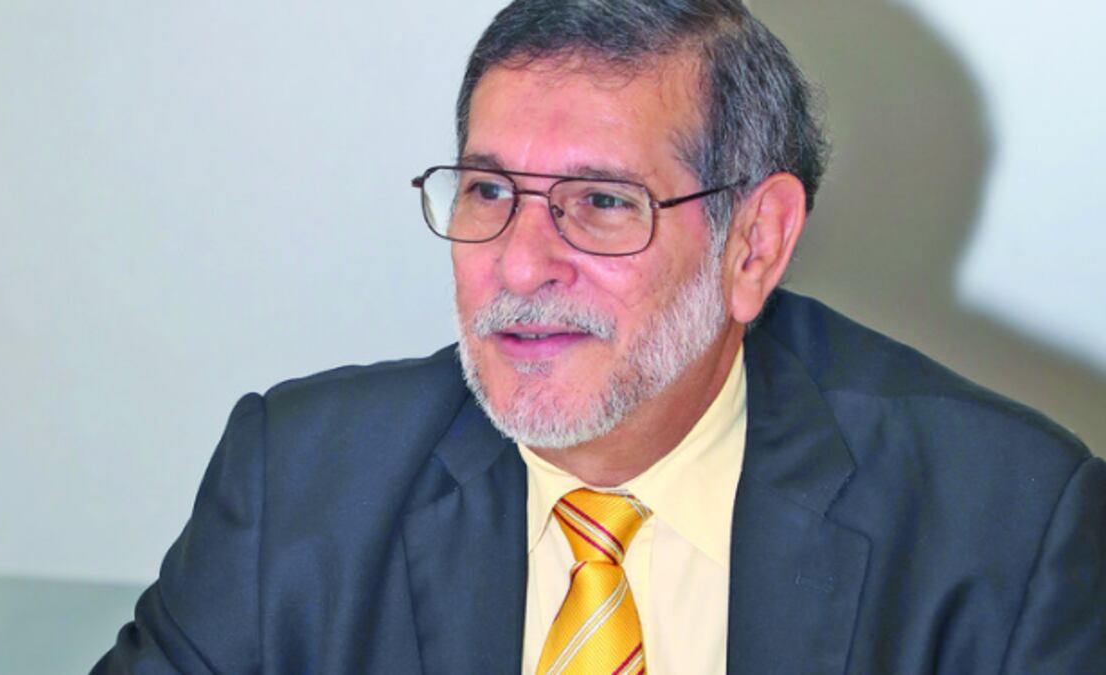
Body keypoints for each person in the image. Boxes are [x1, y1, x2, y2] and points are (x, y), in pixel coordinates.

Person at [94, 1, 1105, 673]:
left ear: (755, 243)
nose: (520, 264)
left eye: (603, 202)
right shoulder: (299, 481)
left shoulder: (1006, 527)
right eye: (489, 190)